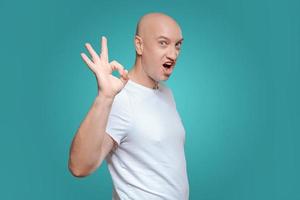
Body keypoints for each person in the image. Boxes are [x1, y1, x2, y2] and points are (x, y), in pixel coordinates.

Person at [68, 12, 189, 199]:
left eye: (177, 45)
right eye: (163, 43)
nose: (173, 54)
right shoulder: (122, 99)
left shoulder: (166, 93)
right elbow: (79, 167)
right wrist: (105, 97)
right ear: (139, 45)